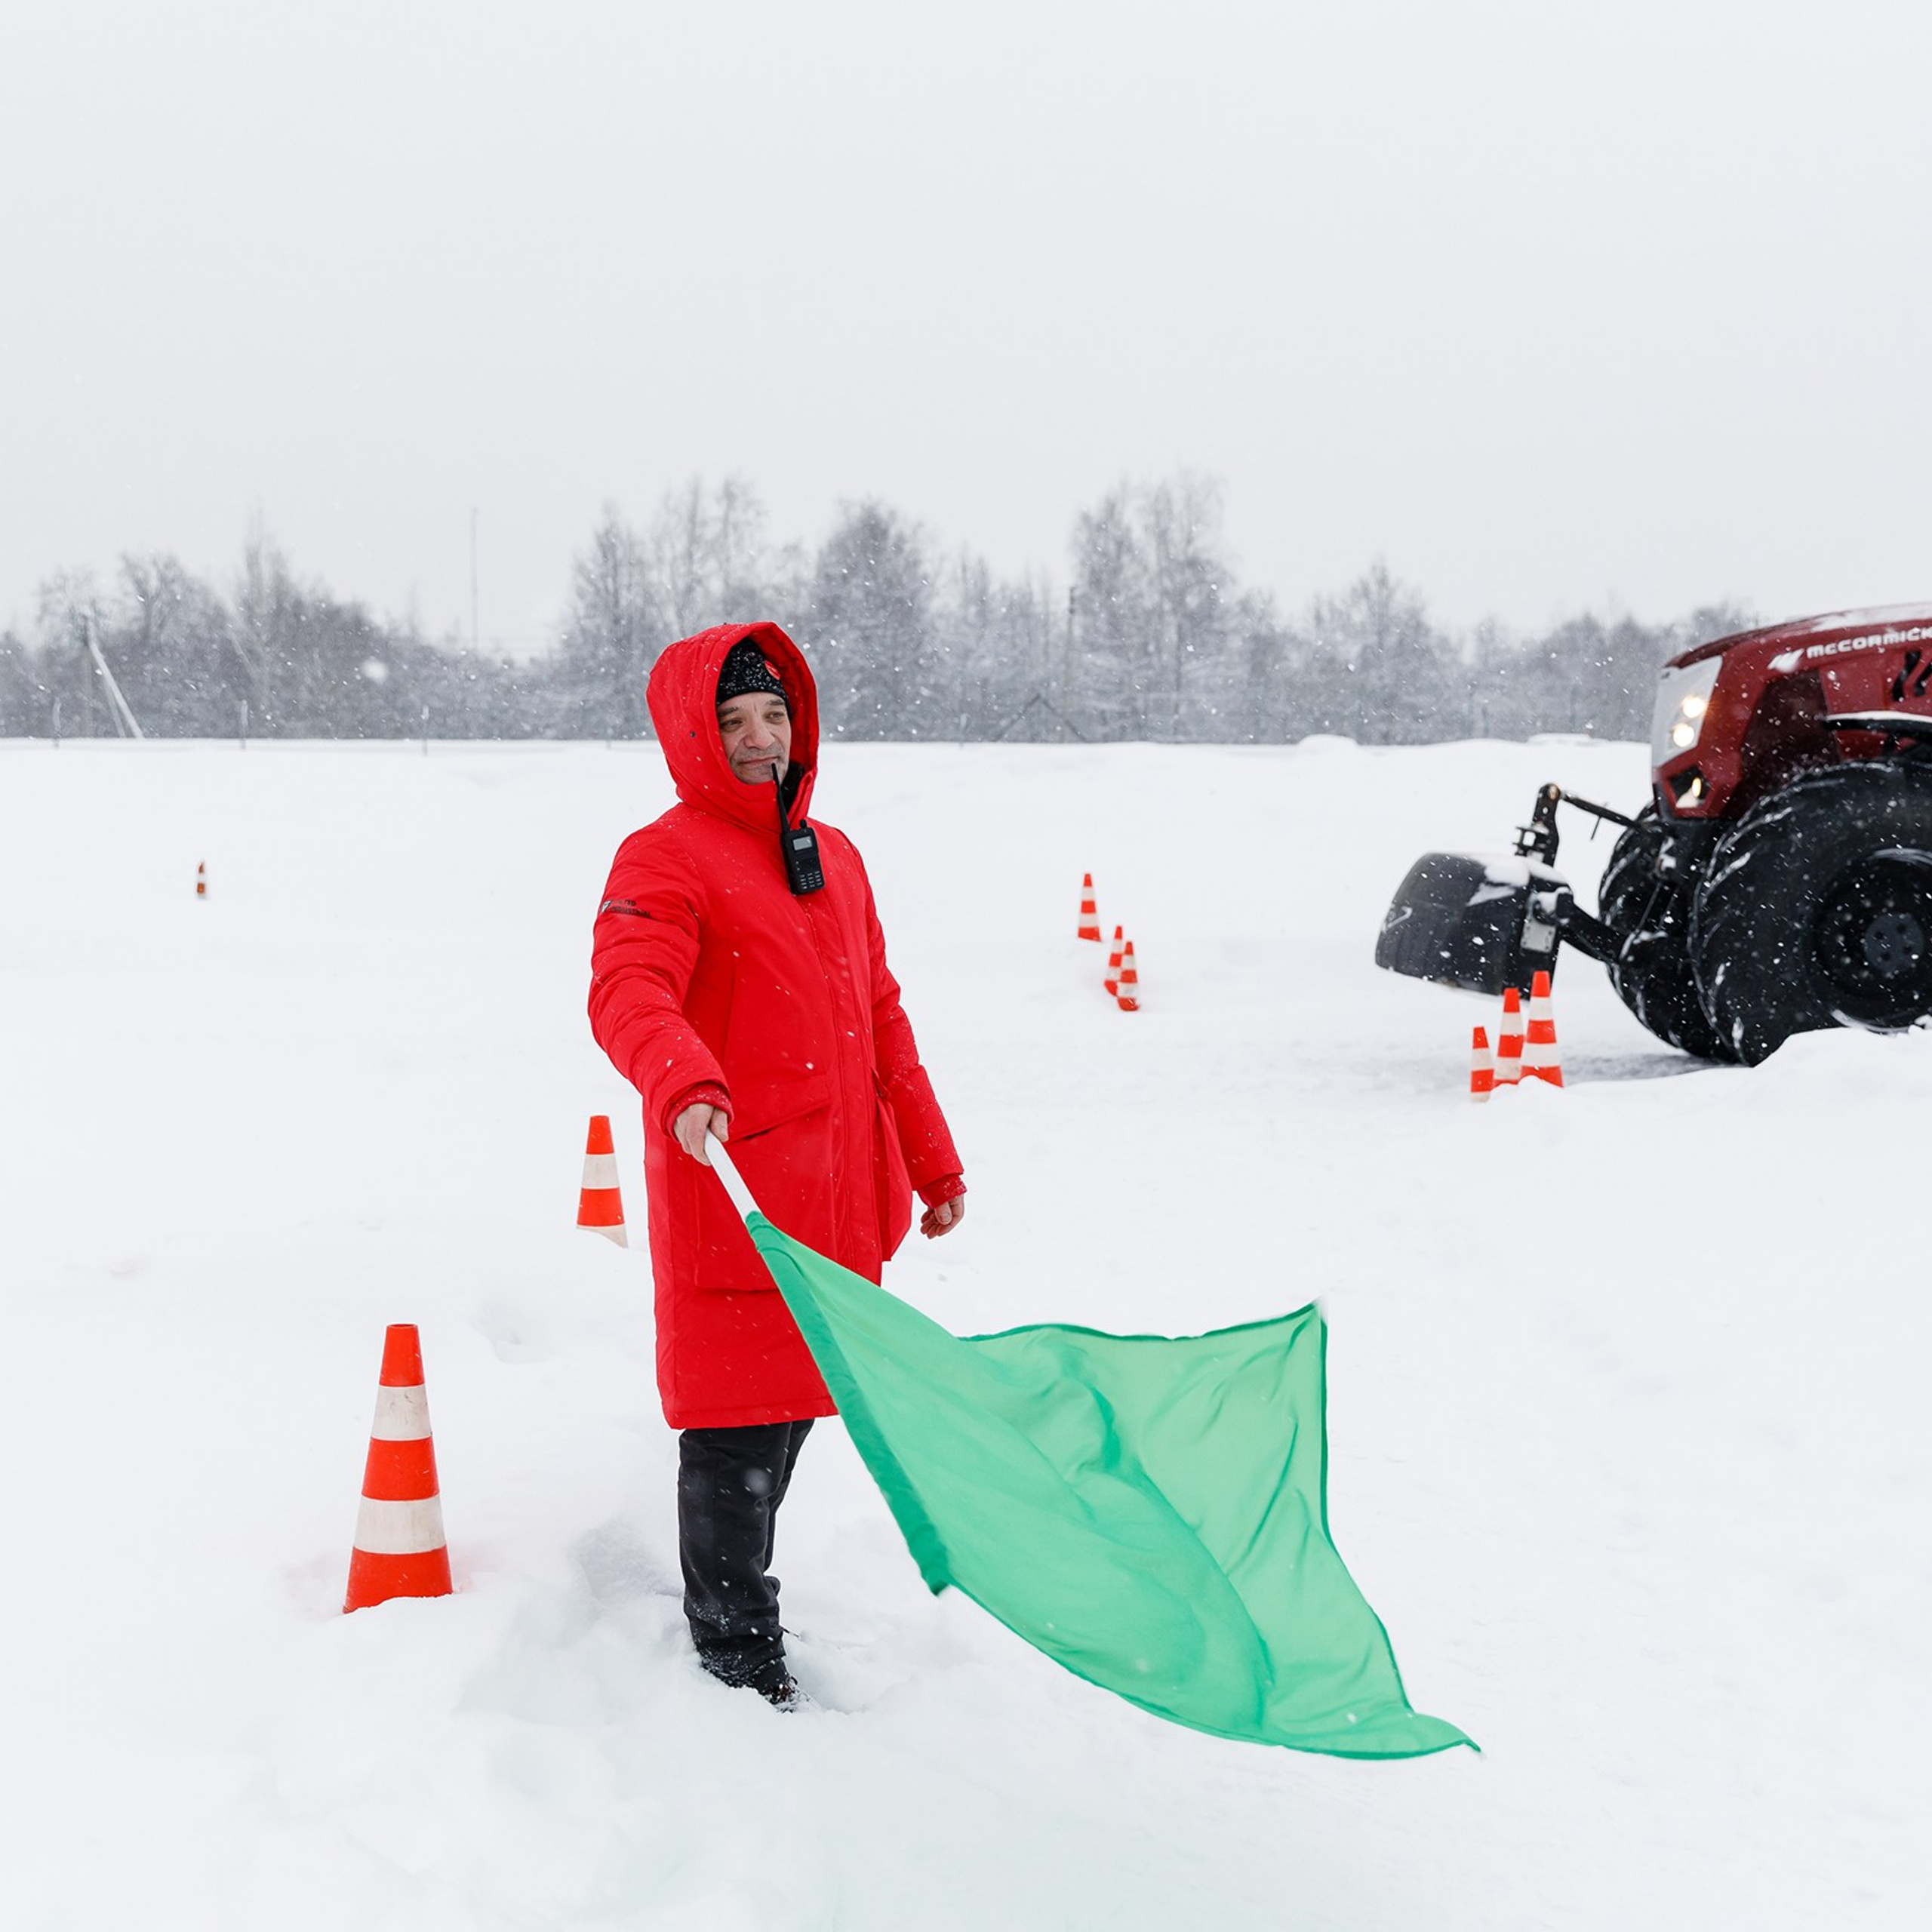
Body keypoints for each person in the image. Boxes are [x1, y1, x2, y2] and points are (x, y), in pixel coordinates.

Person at [588, 622, 966, 1708]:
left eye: (774, 714)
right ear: (694, 737)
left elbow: (880, 1017)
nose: (760, 738)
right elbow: (627, 987)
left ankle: (739, 1612)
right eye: (734, 721)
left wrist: (932, 1161)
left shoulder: (833, 855)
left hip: (839, 1197)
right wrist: (683, 1080)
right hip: (737, 1191)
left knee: (792, 1408)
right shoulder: (664, 856)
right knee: (733, 1429)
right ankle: (735, 1647)